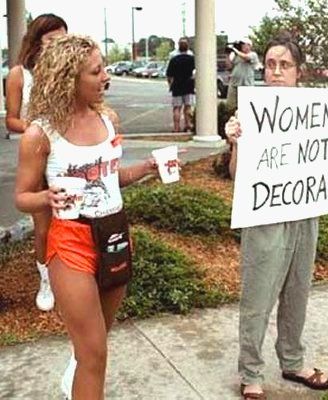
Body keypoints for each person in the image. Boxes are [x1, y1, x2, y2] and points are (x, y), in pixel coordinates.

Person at [225, 31, 328, 400]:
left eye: (284, 65)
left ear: (298, 72)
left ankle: (293, 360)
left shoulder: (319, 110)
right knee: (258, 296)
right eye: (270, 65)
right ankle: (251, 373)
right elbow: (235, 174)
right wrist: (236, 142)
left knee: (298, 291)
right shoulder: (250, 112)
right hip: (264, 215)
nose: (275, 72)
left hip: (305, 213)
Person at [14, 34, 159, 400]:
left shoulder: (107, 119)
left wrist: (147, 166)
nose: (105, 77)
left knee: (93, 347)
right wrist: (46, 196)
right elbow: (21, 198)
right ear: (69, 79)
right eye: (96, 72)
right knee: (93, 354)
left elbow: (112, 179)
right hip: (71, 243)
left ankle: (73, 380)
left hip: (114, 235)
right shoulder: (39, 133)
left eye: (104, 67)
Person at [5, 13, 68, 312]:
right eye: (52, 38)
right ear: (37, 40)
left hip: (69, 154)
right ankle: (46, 279)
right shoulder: (19, 74)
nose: (58, 44)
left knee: (72, 219)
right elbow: (11, 119)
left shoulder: (68, 71)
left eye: (62, 38)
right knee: (44, 225)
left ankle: (72, 274)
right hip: (37, 155)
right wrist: (36, 126)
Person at [166, 37, 195, 133]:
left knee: (177, 108)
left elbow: (169, 75)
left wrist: (171, 84)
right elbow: (195, 73)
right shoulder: (192, 59)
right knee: (188, 107)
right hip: (189, 85)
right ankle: (188, 125)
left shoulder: (174, 59)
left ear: (179, 47)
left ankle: (176, 128)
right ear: (187, 48)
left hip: (177, 86)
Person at [226, 37, 259, 111]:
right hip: (234, 84)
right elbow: (229, 66)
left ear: (250, 46)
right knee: (231, 106)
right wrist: (228, 54)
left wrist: (234, 49)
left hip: (246, 84)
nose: (243, 46)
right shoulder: (236, 55)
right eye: (242, 45)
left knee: (246, 107)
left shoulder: (253, 54)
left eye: (245, 45)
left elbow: (246, 57)